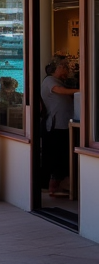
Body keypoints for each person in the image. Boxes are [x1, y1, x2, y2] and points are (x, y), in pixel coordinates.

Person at [41, 58, 79, 198]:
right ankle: (53, 186)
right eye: (65, 68)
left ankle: (62, 185)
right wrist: (83, 90)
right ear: (57, 68)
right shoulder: (50, 81)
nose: (67, 71)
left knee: (64, 156)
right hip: (57, 125)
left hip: (65, 124)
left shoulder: (60, 81)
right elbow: (60, 91)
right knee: (58, 155)